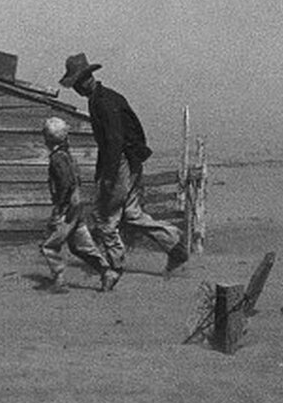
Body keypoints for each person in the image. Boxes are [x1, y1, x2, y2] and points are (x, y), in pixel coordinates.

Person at [58, 53, 188, 290]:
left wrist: (108, 178)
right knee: (132, 214)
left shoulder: (103, 102)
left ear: (85, 79)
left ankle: (114, 268)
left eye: (76, 84)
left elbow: (114, 141)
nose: (76, 89)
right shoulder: (101, 98)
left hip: (121, 161)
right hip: (128, 160)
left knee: (105, 218)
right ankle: (174, 244)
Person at [38, 117, 119, 294]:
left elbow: (66, 184)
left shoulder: (57, 159)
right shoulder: (68, 156)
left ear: (48, 138)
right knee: (81, 245)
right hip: (77, 206)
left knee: (49, 244)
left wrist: (59, 209)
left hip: (67, 208)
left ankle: (59, 280)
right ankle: (107, 272)